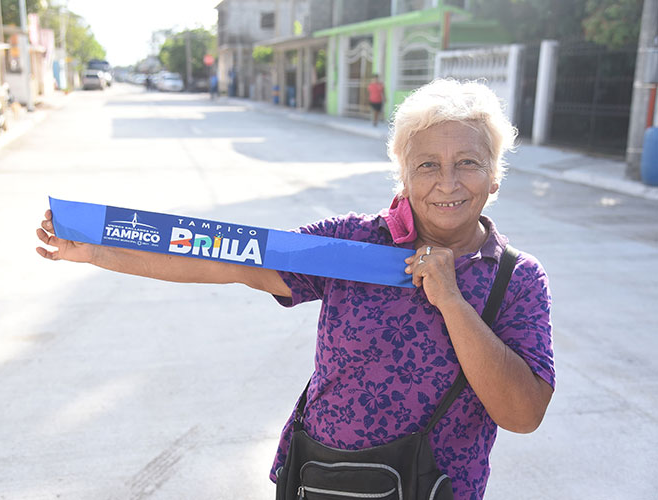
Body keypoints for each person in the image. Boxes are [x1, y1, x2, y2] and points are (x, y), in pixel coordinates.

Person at [35, 78, 555, 499]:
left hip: (434, 489)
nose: (448, 181)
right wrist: (98, 251)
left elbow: (523, 414)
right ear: (404, 177)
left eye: (468, 162)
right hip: (322, 481)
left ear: (494, 176)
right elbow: (229, 260)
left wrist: (452, 301)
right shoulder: (352, 243)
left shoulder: (516, 277)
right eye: (427, 165)